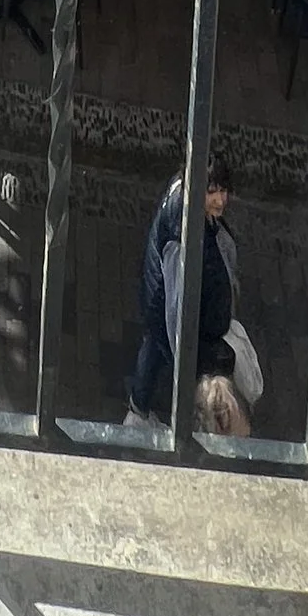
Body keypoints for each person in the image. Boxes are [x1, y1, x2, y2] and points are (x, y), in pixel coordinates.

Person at [129, 157, 238, 424]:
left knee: (152, 348)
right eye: (211, 192)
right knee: (181, 365)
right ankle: (184, 423)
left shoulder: (184, 198)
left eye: (222, 191)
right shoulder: (183, 237)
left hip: (157, 298)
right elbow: (176, 303)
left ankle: (137, 411)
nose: (220, 200)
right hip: (169, 310)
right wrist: (184, 350)